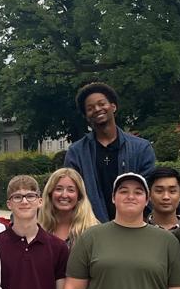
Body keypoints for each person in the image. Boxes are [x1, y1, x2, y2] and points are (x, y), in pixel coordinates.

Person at [62, 82, 157, 223]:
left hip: (133, 225)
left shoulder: (141, 148)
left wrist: (136, 221)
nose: (97, 109)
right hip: (90, 227)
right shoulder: (76, 152)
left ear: (113, 106)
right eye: (90, 108)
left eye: (101, 104)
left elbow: (150, 188)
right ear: (86, 116)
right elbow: (71, 191)